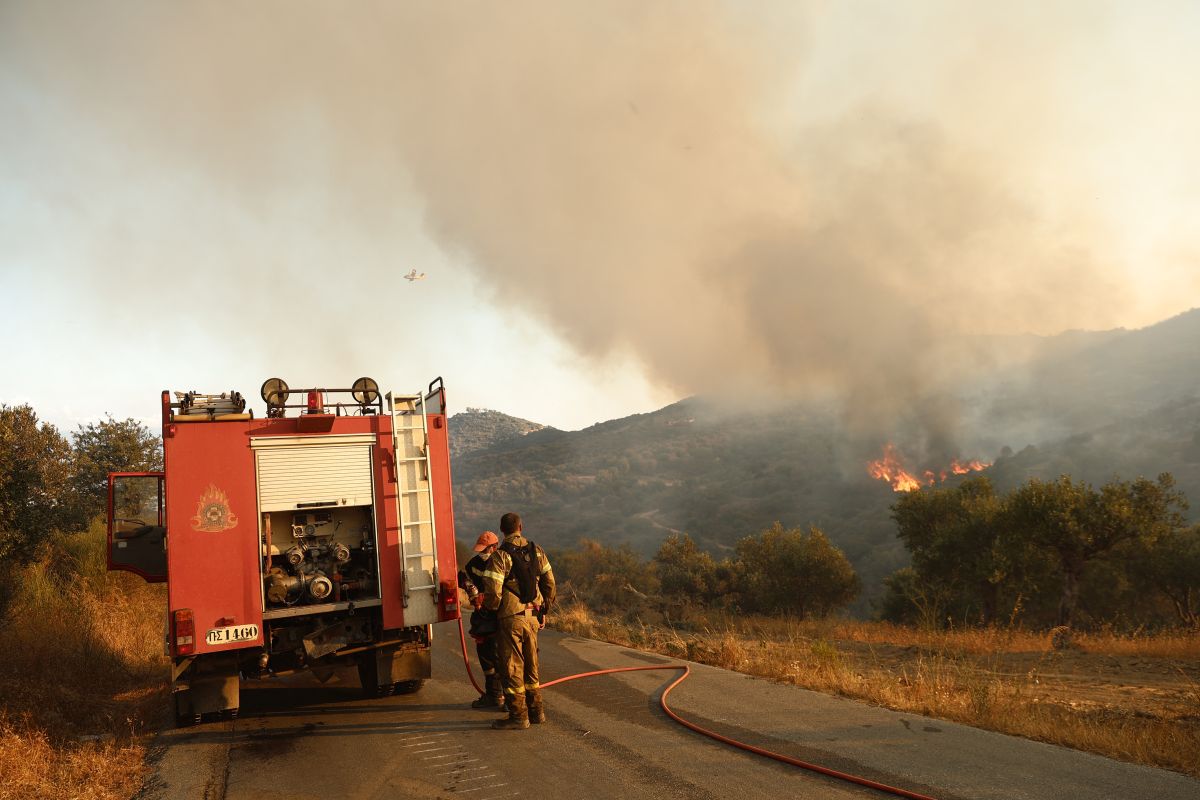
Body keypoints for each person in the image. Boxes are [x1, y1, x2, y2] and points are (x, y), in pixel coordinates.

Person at [481, 512, 555, 730]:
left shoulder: (500, 556)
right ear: (521, 527)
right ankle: (537, 712)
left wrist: (491, 611)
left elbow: (493, 592)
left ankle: (518, 716)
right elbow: (550, 583)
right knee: (532, 666)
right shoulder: (537, 551)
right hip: (533, 616)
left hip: (511, 618)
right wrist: (543, 610)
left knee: (512, 666)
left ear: (502, 530)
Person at [458, 530, 505, 710]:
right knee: (486, 657)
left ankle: (507, 698)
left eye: (485, 549)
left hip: (500, 616)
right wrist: (473, 594)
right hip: (484, 618)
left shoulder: (503, 562)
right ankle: (493, 695)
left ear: (494, 547)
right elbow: (469, 583)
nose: (482, 553)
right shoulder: (473, 564)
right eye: (480, 550)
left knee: (501, 657)